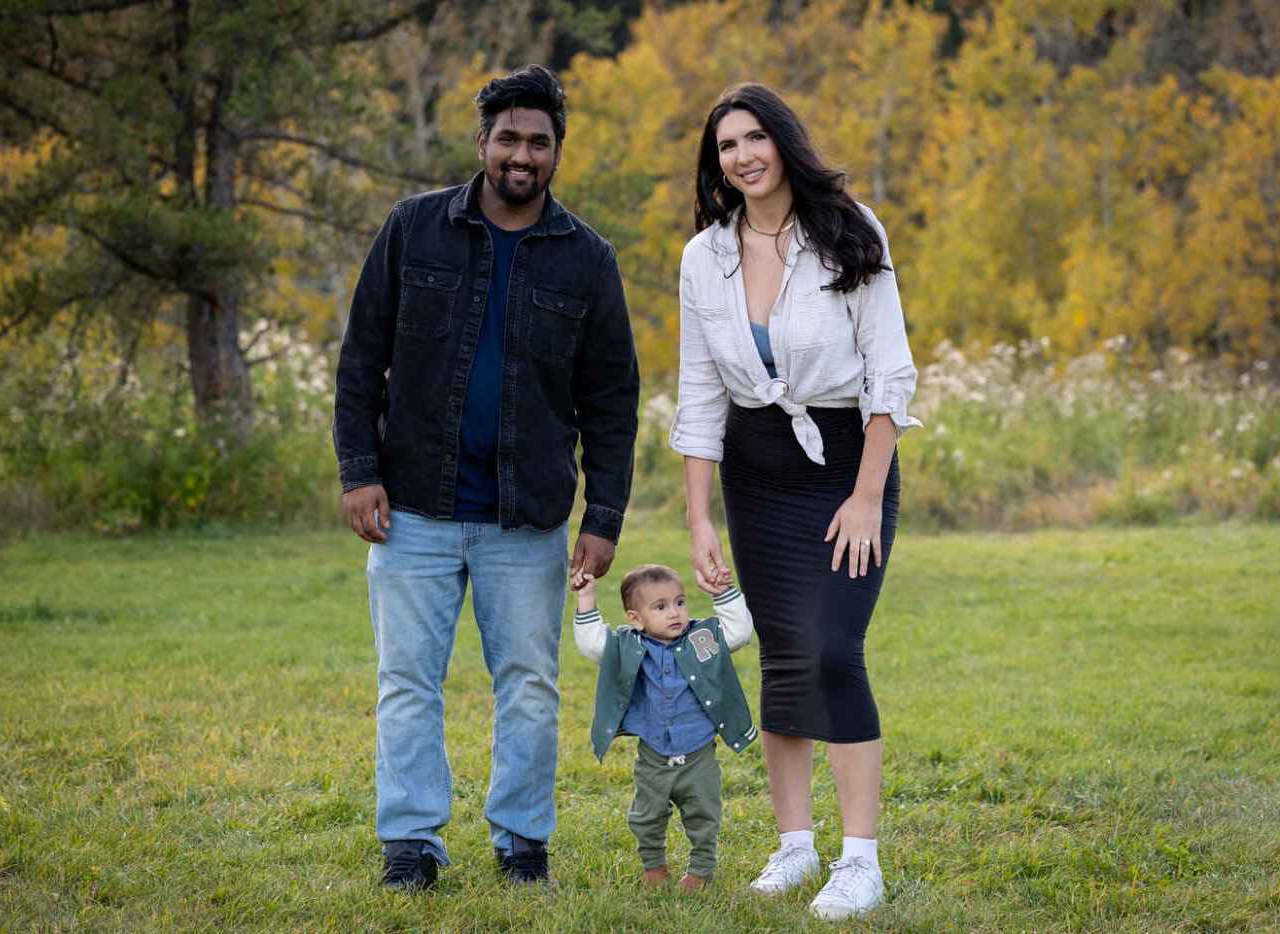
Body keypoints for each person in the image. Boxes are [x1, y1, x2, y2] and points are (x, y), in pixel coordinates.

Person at [332, 64, 639, 892]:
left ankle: (522, 842)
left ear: (557, 152)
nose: (522, 154)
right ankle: (410, 844)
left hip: (527, 517)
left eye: (539, 142)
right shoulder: (413, 229)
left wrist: (603, 516)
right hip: (413, 509)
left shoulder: (588, 261)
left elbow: (612, 400)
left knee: (531, 687)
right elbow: (362, 359)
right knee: (407, 683)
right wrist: (359, 470)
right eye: (508, 137)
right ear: (482, 143)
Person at [669, 83, 921, 921]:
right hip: (757, 468)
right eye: (726, 146)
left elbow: (890, 372)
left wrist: (865, 494)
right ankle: (794, 846)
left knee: (832, 650)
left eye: (754, 138)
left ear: (783, 141)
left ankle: (861, 860)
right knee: (781, 652)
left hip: (849, 458)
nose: (742, 156)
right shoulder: (705, 256)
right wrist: (701, 516)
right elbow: (700, 392)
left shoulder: (851, 230)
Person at [570, 563, 755, 890]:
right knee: (646, 816)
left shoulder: (701, 639)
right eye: (660, 607)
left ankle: (700, 871)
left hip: (699, 756)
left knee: (704, 816)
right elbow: (592, 644)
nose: (675, 613)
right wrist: (586, 596)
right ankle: (654, 867)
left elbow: (739, 633)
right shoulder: (628, 647)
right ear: (635, 618)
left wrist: (723, 593)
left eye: (680, 602)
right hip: (653, 758)